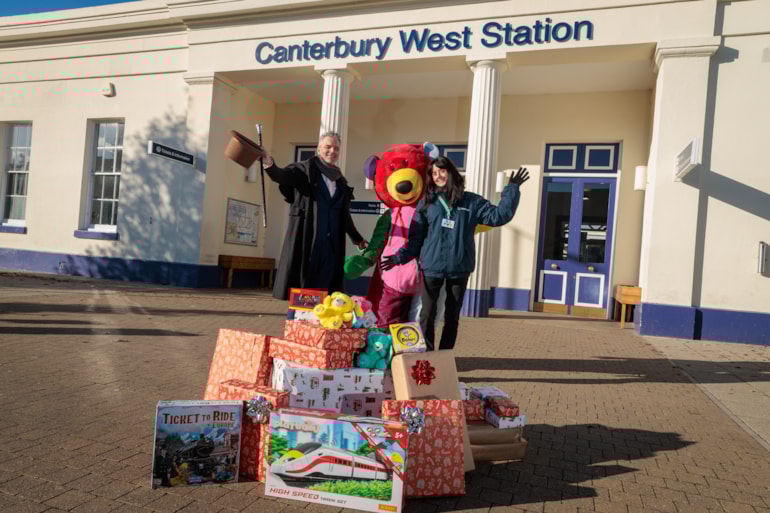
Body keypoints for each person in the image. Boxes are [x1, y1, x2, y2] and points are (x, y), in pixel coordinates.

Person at [381, 157, 529, 351]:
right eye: (434, 173)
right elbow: (415, 239)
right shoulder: (427, 203)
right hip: (431, 267)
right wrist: (398, 258)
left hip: (459, 268)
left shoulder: (472, 201)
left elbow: (499, 216)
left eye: (442, 171)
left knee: (452, 317)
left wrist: (511, 189)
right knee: (427, 314)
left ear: (451, 172)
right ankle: (427, 357)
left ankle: (444, 357)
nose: (438, 176)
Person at [261, 132, 368, 299]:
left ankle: (321, 320)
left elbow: (343, 215)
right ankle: (300, 321)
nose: (332, 151)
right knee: (304, 286)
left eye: (336, 148)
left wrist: (357, 238)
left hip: (332, 245)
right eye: (328, 146)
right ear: (319, 149)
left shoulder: (340, 182)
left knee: (327, 289)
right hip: (309, 242)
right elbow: (280, 175)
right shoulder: (304, 170)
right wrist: (268, 162)